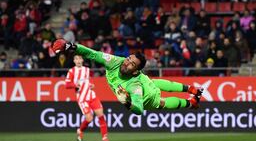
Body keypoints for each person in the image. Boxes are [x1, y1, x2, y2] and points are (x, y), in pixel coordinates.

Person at [53, 39, 203, 116]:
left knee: (159, 100)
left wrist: (127, 102)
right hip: (141, 80)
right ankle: (191, 91)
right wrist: (69, 46)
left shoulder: (134, 86)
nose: (126, 63)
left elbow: (139, 109)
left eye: (131, 64)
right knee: (153, 82)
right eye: (128, 59)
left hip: (145, 96)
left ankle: (191, 103)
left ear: (135, 71)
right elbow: (92, 53)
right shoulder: (115, 62)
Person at [65, 55, 111, 141]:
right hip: (82, 98)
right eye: (76, 59)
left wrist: (91, 84)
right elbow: (67, 84)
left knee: (101, 115)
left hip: (91, 95)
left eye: (79, 58)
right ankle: (80, 130)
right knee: (89, 118)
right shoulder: (71, 71)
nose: (78, 60)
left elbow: (87, 81)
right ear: (74, 61)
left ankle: (104, 138)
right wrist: (75, 85)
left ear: (82, 60)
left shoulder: (87, 70)